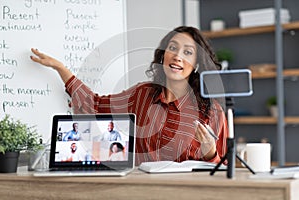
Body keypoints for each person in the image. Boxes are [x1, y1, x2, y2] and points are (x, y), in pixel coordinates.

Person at [30, 26, 228, 166]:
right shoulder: (141, 95)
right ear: (163, 55)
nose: (177, 56)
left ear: (197, 64)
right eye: (173, 48)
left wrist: (210, 151)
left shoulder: (212, 112)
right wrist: (62, 69)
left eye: (187, 52)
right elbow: (95, 105)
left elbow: (223, 171)